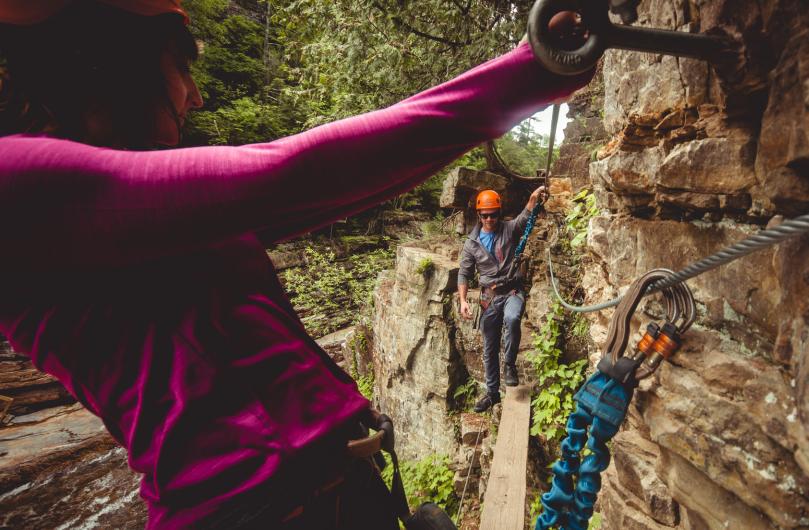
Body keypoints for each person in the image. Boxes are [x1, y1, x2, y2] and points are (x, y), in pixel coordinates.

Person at [0, 1, 592, 528]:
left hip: (327, 492)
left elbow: (342, 188)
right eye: (181, 66)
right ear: (112, 64)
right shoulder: (18, 185)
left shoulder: (137, 214)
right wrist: (534, 69)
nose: (196, 95)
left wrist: (539, 68)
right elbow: (295, 174)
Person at [457, 186, 545, 412]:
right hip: (489, 298)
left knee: (513, 318)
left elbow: (525, 218)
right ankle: (492, 393)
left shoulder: (509, 229)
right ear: (479, 215)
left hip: (512, 290)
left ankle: (509, 365)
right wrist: (464, 300)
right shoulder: (471, 243)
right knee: (489, 347)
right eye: (485, 215)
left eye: (493, 214)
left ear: (499, 212)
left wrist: (533, 198)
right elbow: (464, 273)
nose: (489, 219)